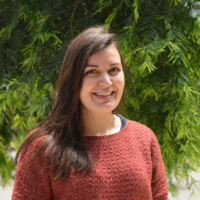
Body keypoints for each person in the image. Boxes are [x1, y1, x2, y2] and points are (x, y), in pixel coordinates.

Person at [12, 26, 169, 200]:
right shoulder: (42, 147)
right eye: (92, 72)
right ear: (73, 79)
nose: (106, 82)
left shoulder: (144, 138)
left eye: (114, 70)